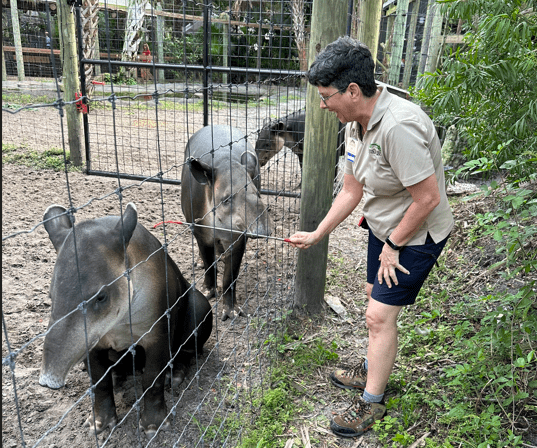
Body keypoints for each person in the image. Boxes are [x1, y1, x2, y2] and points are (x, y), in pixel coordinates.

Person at [287, 36, 454, 438]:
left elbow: (428, 198)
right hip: (384, 224)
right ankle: (371, 364)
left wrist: (394, 245)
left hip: (416, 231)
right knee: (371, 299)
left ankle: (371, 403)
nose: (322, 105)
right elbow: (351, 189)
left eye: (326, 97)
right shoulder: (356, 124)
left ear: (354, 90)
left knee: (379, 316)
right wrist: (317, 233)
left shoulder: (398, 127)